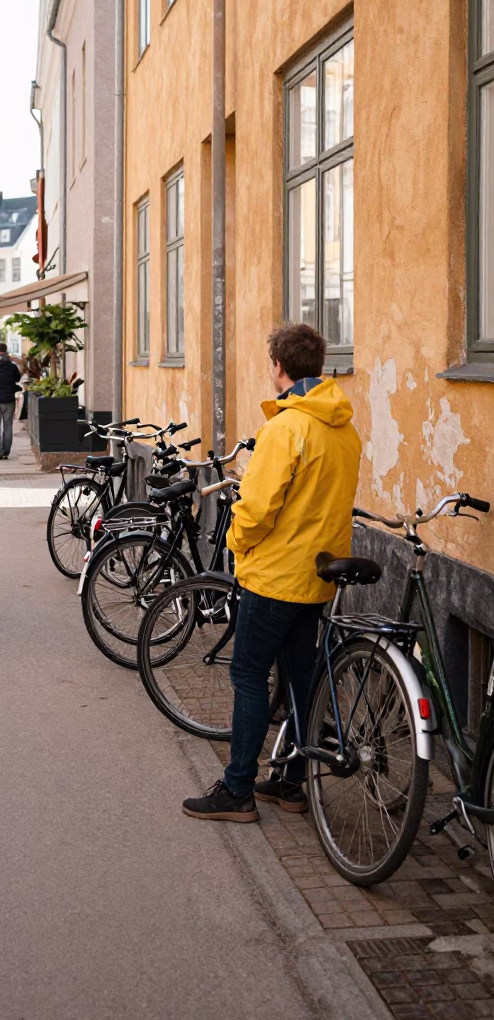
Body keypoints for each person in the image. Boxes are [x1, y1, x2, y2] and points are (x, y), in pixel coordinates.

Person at [182, 323, 361, 824]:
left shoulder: (285, 428)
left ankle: (237, 788)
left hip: (276, 575)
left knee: (248, 675)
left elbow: (258, 508)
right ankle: (291, 783)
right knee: (302, 679)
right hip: (318, 575)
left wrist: (236, 542)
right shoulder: (344, 428)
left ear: (279, 367)